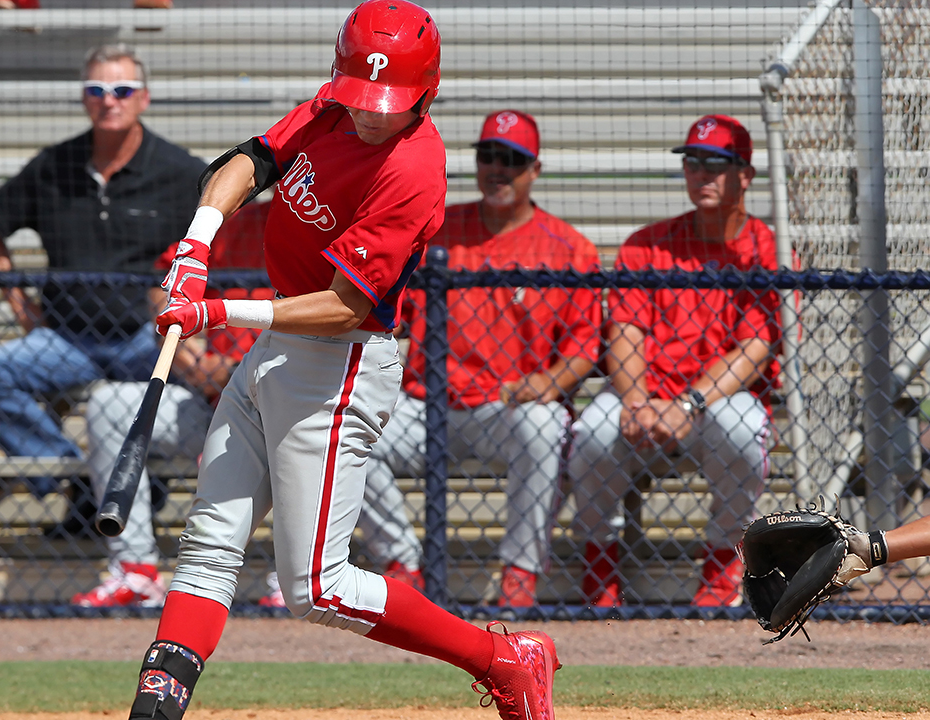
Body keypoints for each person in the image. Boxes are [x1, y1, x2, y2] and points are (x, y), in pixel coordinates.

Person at [125, 5, 559, 720]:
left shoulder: (414, 169)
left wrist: (217, 311)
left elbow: (342, 305)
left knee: (317, 590)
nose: (368, 116)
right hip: (277, 348)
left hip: (339, 362)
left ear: (426, 92)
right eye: (358, 98)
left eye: (384, 106)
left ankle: (505, 660)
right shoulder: (338, 102)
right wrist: (199, 241)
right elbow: (249, 162)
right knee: (208, 546)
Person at [361, 110, 603, 608]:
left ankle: (519, 571)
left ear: (534, 170)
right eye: (489, 156)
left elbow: (584, 345)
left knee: (544, 424)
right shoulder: (437, 227)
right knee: (341, 428)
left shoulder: (569, 248)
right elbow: (388, 306)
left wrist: (551, 382)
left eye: (512, 160)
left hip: (505, 408)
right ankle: (402, 561)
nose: (498, 169)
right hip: (427, 406)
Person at [0, 43, 207, 500]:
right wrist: (22, 308)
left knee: (214, 374)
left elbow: (219, 242)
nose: (109, 99)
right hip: (67, 339)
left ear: (143, 98)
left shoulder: (179, 171)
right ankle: (76, 478)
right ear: (83, 98)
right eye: (96, 89)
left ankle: (151, 483)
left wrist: (184, 318)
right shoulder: (55, 166)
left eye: (122, 89)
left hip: (146, 340)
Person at [568, 114, 783, 608]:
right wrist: (639, 401)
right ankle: (599, 565)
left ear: (745, 175)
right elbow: (624, 331)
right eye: (692, 163)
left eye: (717, 164)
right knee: (593, 433)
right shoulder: (647, 244)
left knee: (743, 430)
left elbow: (754, 348)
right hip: (645, 396)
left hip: (713, 399)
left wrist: (686, 404)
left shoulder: (764, 248)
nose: (702, 173)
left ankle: (724, 563)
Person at [73, 202, 271, 607]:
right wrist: (192, 358)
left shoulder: (345, 225)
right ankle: (136, 570)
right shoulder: (233, 225)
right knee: (110, 403)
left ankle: (295, 578)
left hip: (293, 407)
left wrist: (243, 368)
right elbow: (165, 287)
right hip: (215, 403)